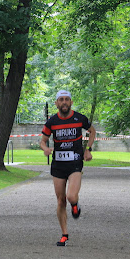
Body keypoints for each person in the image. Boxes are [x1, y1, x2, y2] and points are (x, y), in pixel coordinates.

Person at [40, 90, 96, 246]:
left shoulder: (79, 118)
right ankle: (64, 234)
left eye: (67, 99)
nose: (64, 102)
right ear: (57, 103)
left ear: (71, 102)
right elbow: (42, 141)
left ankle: (75, 205)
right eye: (61, 100)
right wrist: (45, 148)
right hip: (58, 164)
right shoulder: (52, 122)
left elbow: (92, 131)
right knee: (60, 201)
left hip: (75, 162)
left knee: (71, 196)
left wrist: (88, 149)